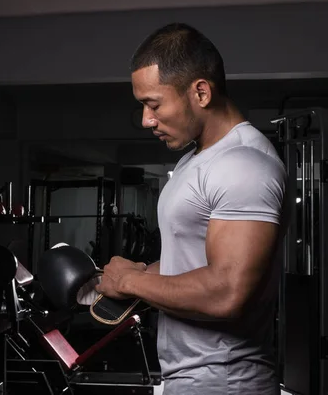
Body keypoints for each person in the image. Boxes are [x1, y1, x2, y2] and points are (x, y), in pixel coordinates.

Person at [95, 23, 289, 395]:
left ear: (200, 92)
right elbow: (190, 262)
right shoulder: (193, 160)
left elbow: (226, 292)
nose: (146, 120)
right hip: (191, 378)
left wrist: (130, 281)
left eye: (154, 104)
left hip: (225, 381)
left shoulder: (244, 164)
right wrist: (139, 273)